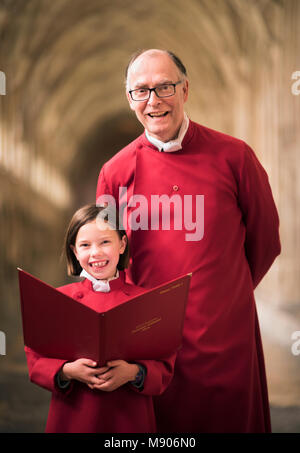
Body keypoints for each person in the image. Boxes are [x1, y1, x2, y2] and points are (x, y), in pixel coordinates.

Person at [96, 49, 281, 433]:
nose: (154, 100)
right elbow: (106, 261)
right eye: (141, 91)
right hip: (149, 345)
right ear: (129, 99)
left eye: (164, 87)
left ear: (185, 90)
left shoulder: (235, 158)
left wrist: (225, 297)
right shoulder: (114, 173)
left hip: (225, 339)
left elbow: (265, 241)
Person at [25, 203, 175, 433]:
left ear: (122, 244)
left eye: (105, 242)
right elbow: (35, 360)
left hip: (129, 420)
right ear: (75, 252)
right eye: (85, 245)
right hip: (74, 417)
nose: (95, 252)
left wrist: (133, 372)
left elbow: (165, 365)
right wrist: (67, 371)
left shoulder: (147, 302)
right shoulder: (58, 300)